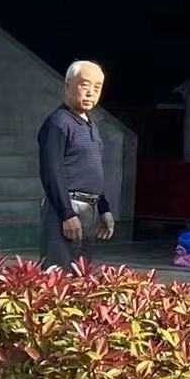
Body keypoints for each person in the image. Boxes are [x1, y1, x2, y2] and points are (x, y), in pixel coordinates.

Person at [38, 60, 115, 270]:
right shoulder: (58, 122)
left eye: (97, 87)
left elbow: (91, 171)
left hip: (89, 210)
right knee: (58, 274)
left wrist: (103, 208)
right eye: (84, 85)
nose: (91, 93)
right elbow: (51, 171)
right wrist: (67, 213)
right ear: (67, 86)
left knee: (81, 274)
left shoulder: (91, 125)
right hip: (65, 208)